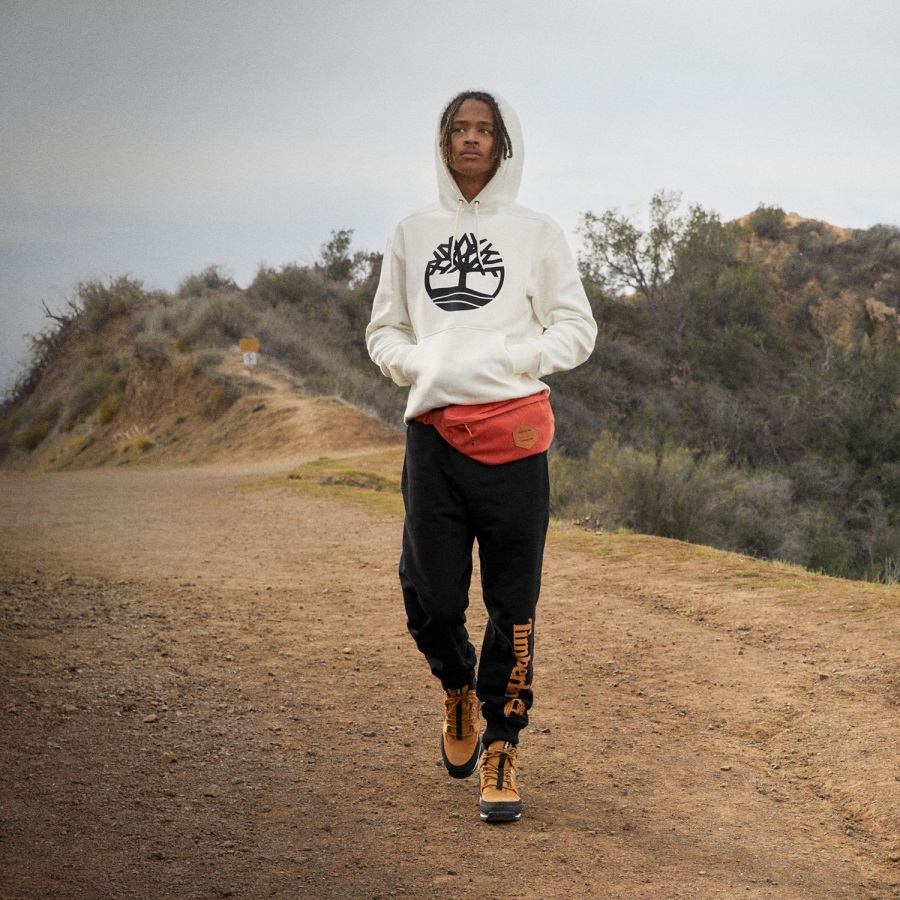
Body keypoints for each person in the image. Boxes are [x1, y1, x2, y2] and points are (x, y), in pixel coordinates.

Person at [366, 90, 596, 822]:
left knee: (513, 604)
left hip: (514, 434)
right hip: (433, 432)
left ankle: (502, 741)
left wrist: (513, 357)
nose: (471, 139)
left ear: (503, 145)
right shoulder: (411, 233)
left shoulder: (537, 233)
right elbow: (384, 331)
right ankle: (458, 686)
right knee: (430, 596)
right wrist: (421, 363)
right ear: (442, 142)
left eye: (485, 130)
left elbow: (577, 329)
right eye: (459, 129)